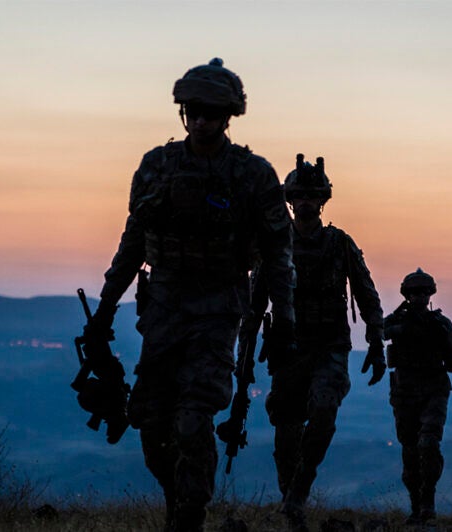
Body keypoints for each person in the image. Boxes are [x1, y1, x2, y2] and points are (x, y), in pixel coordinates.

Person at [85, 58, 296, 532]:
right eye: (193, 111)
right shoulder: (157, 166)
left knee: (193, 416)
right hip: (162, 306)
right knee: (152, 421)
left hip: (219, 307)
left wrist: (284, 320)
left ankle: (189, 517)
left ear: (228, 116)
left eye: (210, 112)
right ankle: (176, 501)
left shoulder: (253, 175)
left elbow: (277, 254)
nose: (200, 121)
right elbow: (132, 240)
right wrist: (104, 308)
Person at [248, 154, 385, 527]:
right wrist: (244, 346)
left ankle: (299, 491)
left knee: (324, 410)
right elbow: (255, 300)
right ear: (291, 201)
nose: (306, 202)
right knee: (287, 429)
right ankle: (289, 501)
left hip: (330, 345)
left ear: (322, 200)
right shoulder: (276, 245)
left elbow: (366, 294)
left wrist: (376, 341)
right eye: (300, 196)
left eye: (313, 196)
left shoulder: (339, 244)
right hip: (289, 349)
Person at [383, 268, 452, 524]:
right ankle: (416, 508)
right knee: (410, 451)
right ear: (407, 295)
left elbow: (451, 359)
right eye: (414, 293)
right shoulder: (395, 322)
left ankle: (427, 505)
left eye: (423, 292)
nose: (419, 297)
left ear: (430, 294)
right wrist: (403, 325)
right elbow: (380, 333)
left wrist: (451, 358)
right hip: (405, 391)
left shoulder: (440, 323)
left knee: (428, 444)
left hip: (433, 389)